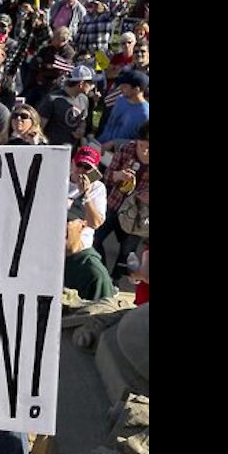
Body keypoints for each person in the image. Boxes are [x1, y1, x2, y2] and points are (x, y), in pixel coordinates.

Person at [95, 120, 149, 278]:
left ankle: (115, 281)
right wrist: (118, 175)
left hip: (138, 213)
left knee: (127, 252)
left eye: (148, 148)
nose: (145, 152)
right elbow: (107, 175)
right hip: (115, 203)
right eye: (141, 146)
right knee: (94, 239)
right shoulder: (127, 149)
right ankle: (102, 274)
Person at [64, 203, 116, 301]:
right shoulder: (47, 258)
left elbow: (101, 312)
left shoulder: (95, 275)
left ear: (83, 226)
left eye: (67, 221)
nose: (60, 228)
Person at [40, 66, 94, 149]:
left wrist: (81, 129)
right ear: (81, 84)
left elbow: (83, 120)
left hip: (71, 150)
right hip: (51, 149)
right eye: (90, 83)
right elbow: (40, 126)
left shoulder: (84, 99)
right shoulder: (52, 99)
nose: (92, 86)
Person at [98, 70, 150, 151]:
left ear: (136, 89)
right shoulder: (120, 100)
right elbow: (110, 124)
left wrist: (115, 143)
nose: (120, 88)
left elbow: (142, 143)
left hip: (120, 155)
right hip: (100, 145)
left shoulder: (145, 115)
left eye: (125, 86)